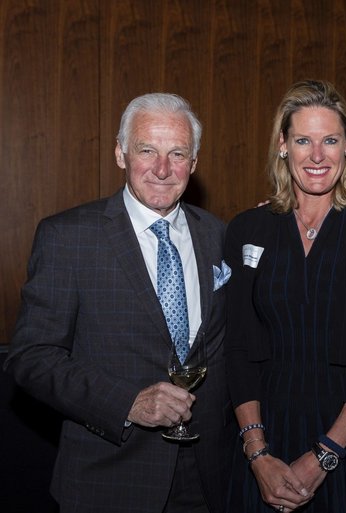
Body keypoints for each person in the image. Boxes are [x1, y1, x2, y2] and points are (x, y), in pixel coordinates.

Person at [4, 93, 232, 512]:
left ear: (194, 162)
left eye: (177, 153)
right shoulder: (68, 237)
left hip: (208, 477)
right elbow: (32, 357)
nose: (162, 169)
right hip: (109, 477)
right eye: (147, 150)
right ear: (120, 154)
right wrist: (128, 403)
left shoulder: (218, 235)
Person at [223, 79, 346, 513]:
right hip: (266, 437)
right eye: (302, 140)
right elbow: (238, 350)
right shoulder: (248, 229)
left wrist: (325, 453)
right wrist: (257, 453)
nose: (316, 155)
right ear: (282, 146)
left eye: (329, 140)